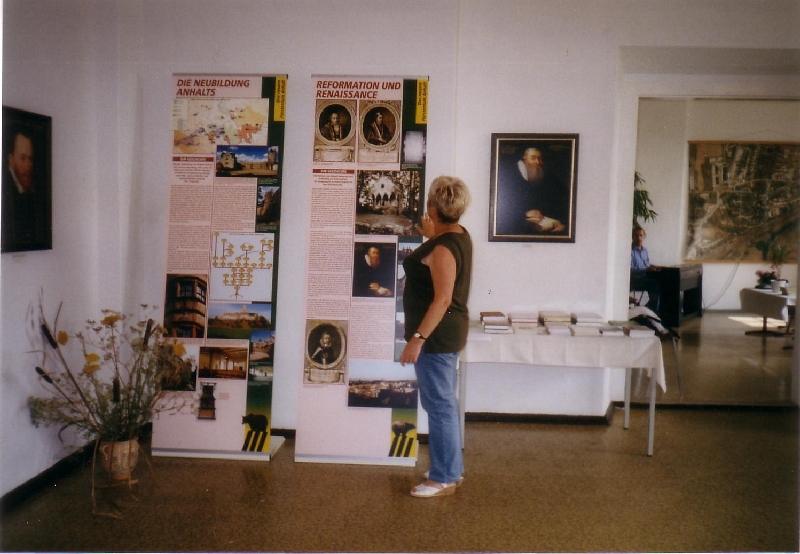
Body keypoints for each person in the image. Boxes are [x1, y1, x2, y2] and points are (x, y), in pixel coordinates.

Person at [400, 175, 473, 498]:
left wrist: (417, 339)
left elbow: (442, 300)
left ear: (432, 207)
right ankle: (449, 467)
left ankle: (443, 477)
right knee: (443, 404)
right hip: (444, 334)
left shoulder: (444, 248)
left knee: (440, 406)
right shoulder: (456, 235)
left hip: (436, 338)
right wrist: (431, 235)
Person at [494, 146, 569, 236]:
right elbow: (502, 209)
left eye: (540, 158)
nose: (538, 162)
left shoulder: (549, 176)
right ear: (524, 159)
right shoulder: (510, 176)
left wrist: (565, 225)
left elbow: (566, 201)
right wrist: (525, 213)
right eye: (533, 158)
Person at [2, 129, 49, 250]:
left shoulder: (35, 188)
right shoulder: (5, 194)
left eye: (30, 159)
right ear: (11, 160)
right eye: (23, 158)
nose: (28, 166)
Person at [630, 227, 661, 312]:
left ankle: (652, 309)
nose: (639, 238)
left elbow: (647, 264)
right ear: (632, 236)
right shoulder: (630, 251)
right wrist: (646, 270)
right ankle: (652, 311)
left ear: (644, 237)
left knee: (664, 281)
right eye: (636, 236)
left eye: (641, 235)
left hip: (646, 277)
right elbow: (630, 269)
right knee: (655, 284)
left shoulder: (645, 250)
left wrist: (655, 266)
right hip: (635, 279)